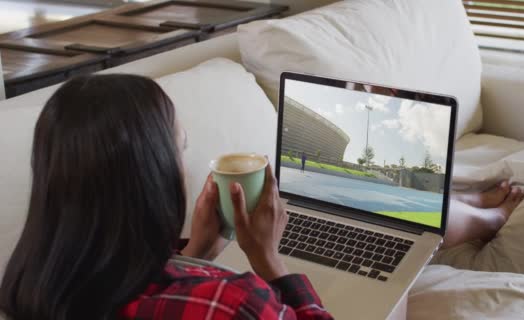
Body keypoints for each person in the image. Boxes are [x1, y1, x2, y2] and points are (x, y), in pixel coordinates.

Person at [0, 75, 333, 320]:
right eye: (180, 147)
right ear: (154, 174)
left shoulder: (28, 290)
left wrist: (195, 253)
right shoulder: (231, 303)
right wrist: (269, 259)